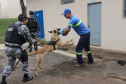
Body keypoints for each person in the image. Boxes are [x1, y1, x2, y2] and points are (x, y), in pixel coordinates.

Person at [0, 14, 37, 84]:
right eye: (26, 20)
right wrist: (34, 41)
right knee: (25, 59)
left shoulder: (11, 25)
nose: (27, 21)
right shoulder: (23, 27)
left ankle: (3, 80)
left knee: (10, 63)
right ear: (24, 20)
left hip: (7, 48)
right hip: (15, 48)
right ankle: (25, 77)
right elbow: (29, 38)